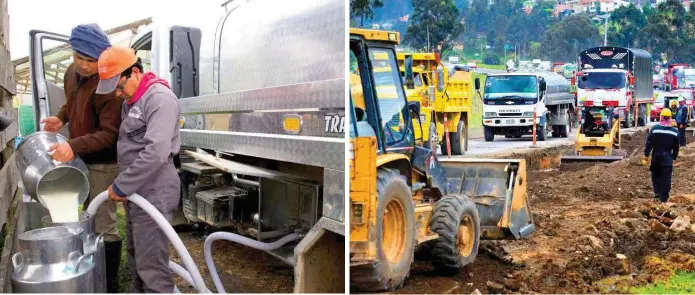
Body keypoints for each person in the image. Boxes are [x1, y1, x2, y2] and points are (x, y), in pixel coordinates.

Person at [40, 24, 122, 292]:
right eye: (80, 58)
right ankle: (89, 270)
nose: (85, 65)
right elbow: (71, 102)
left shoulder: (109, 84)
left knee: (103, 223)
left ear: (102, 57)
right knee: (85, 216)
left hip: (104, 162)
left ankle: (109, 284)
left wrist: (73, 146)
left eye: (91, 60)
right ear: (72, 52)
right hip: (81, 157)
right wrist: (60, 118)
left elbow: (110, 134)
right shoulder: (71, 73)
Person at [97, 46, 181, 293]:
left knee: (151, 268)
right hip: (138, 191)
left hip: (155, 189)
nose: (117, 93)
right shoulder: (132, 100)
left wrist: (123, 184)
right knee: (136, 259)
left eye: (119, 86)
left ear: (134, 72)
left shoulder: (159, 99)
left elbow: (156, 152)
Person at [642, 108, 680, 203]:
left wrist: (646, 155)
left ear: (661, 117)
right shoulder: (674, 131)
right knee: (666, 178)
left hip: (656, 157)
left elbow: (649, 143)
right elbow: (676, 147)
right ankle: (664, 197)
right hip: (667, 157)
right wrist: (674, 157)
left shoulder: (654, 129)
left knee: (655, 176)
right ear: (670, 118)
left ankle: (657, 193)